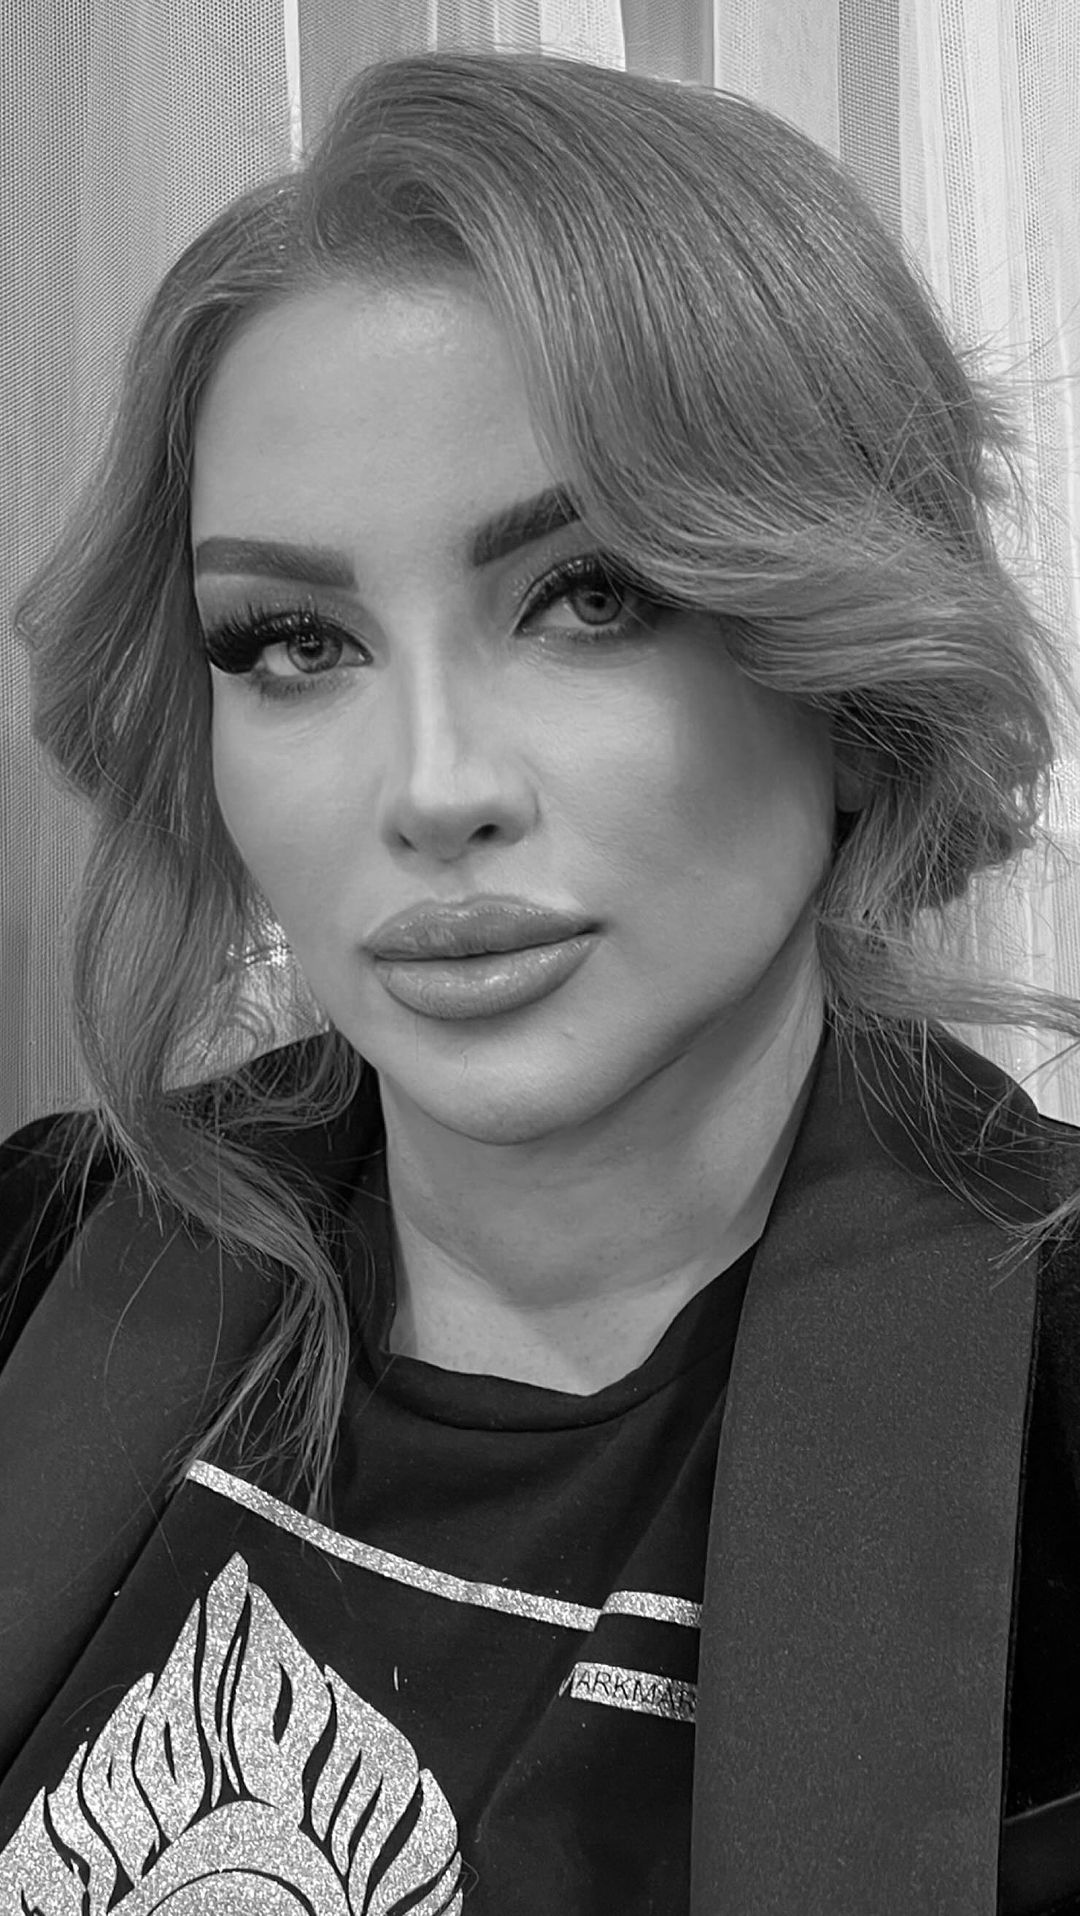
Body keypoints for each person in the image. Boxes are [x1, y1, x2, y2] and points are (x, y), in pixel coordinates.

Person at [2, 45, 1080, 1916]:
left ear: (849, 674)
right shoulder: (36, 1251)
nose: (434, 789)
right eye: (292, 641)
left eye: (591, 598)